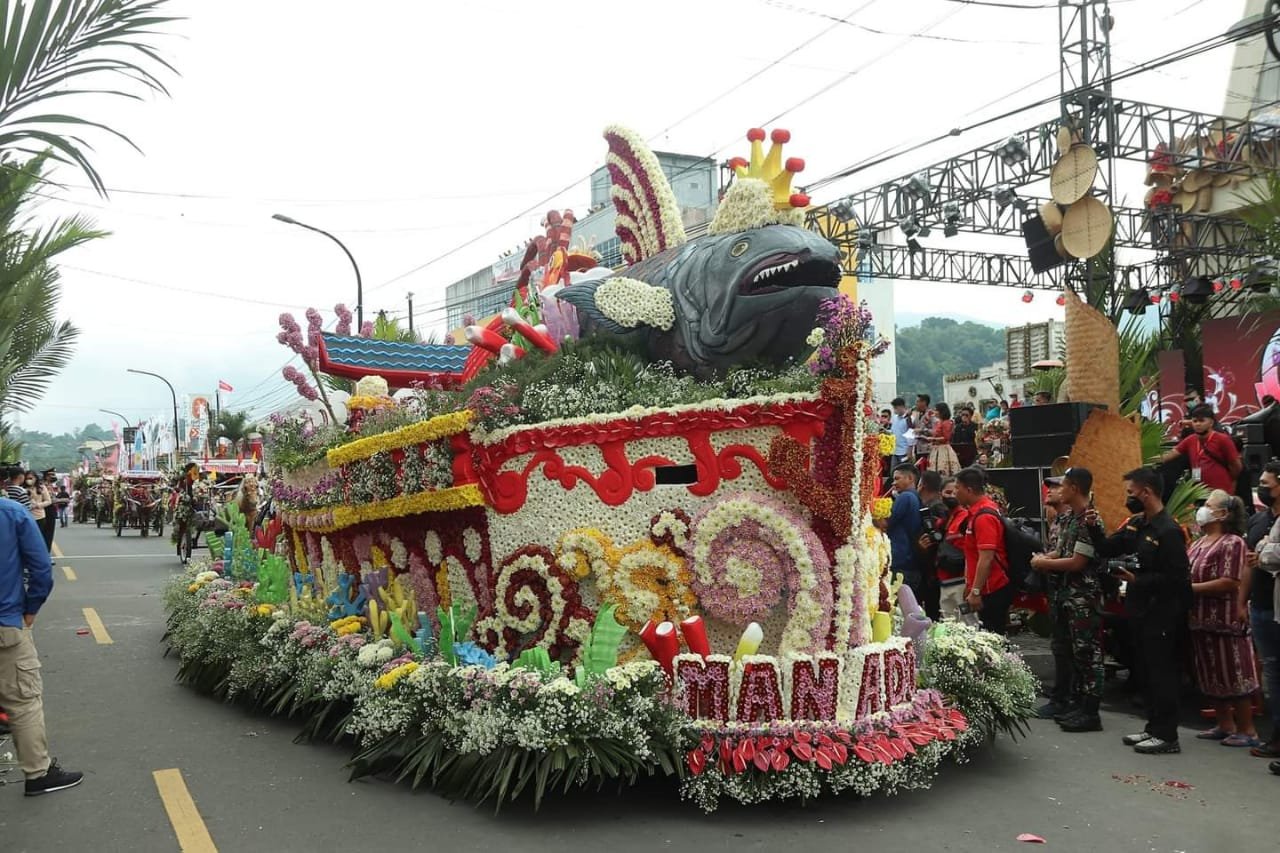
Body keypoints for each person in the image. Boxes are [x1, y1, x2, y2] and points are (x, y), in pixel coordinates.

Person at [1089, 467, 1191, 755]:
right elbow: (1108, 548)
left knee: (1162, 673)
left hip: (1162, 612)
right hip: (1137, 609)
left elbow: (1178, 578)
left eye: (1131, 492)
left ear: (1146, 492)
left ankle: (1167, 734)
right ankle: (1152, 727)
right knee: (1144, 671)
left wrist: (1139, 580)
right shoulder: (1136, 524)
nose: (1128, 497)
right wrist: (1094, 526)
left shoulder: (1168, 531)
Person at [0, 493, 84, 795]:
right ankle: (38, 774)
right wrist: (30, 610)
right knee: (23, 701)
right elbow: (40, 568)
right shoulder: (11, 513)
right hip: (6, 624)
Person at [1031, 468, 1105, 732]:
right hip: (1065, 596)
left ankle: (1090, 711)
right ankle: (1075, 703)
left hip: (1082, 597)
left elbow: (1077, 562)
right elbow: (1062, 552)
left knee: (1087, 653)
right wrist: (1045, 559)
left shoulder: (1089, 518)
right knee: (1068, 650)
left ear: (1074, 488)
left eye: (1063, 485)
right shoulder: (1071, 518)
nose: (1058, 490)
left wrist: (1045, 563)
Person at [1188, 490, 1259, 747]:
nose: (1203, 509)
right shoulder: (1198, 542)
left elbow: (1230, 581)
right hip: (1200, 618)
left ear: (1223, 513)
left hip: (1226, 620)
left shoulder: (1233, 543)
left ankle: (1247, 730)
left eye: (1208, 505)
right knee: (1210, 672)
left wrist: (1191, 589)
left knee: (1234, 674)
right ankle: (1224, 724)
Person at [1240, 461, 1280, 760]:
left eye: (1268, 484)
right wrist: (1242, 601)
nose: (1263, 489)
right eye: (1261, 484)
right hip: (1262, 607)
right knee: (1272, 674)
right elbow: (1249, 563)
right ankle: (1277, 736)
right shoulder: (1257, 521)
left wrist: (1266, 553)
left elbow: (1264, 556)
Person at [954, 466, 1014, 634]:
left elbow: (986, 558)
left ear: (969, 490)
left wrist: (976, 591)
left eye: (957, 488)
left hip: (992, 588)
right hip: (985, 587)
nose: (955, 493)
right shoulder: (977, 512)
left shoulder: (984, 517)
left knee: (993, 637)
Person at [1161, 404, 1242, 493]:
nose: (1198, 424)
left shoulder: (1223, 439)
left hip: (1220, 493)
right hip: (1199, 493)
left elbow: (1236, 466)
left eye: (1201, 421)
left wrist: (1230, 483)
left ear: (1211, 422)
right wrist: (1149, 460)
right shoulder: (1190, 440)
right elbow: (1171, 454)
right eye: (1195, 421)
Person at [882, 464, 924, 597]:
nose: (893, 483)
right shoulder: (915, 497)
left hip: (901, 562)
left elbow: (885, 523)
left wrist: (870, 512)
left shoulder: (905, 497)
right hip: (910, 562)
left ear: (910, 478)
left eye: (897, 478)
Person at [926, 402, 962, 476]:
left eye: (936, 410)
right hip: (936, 449)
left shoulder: (946, 423)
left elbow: (946, 438)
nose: (934, 412)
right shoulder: (938, 422)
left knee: (943, 470)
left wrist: (933, 439)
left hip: (943, 449)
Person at [888, 398, 911, 473]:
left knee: (903, 472)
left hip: (904, 451)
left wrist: (909, 450)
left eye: (896, 408)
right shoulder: (894, 418)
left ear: (902, 406)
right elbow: (892, 431)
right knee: (893, 472)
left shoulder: (908, 419)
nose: (895, 410)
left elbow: (911, 436)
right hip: (895, 450)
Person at [40, 469, 58, 549]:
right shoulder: (43, 485)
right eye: (52, 475)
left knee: (49, 533)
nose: (54, 477)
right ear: (47, 476)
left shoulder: (50, 485)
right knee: (46, 532)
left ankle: (47, 552)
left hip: (51, 509)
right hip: (45, 509)